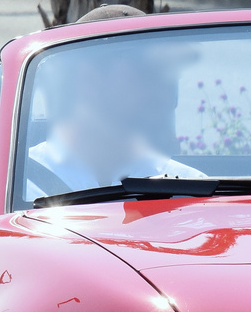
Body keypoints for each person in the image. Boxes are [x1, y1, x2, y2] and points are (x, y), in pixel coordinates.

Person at [25, 47, 203, 200]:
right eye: (146, 74)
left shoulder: (192, 189)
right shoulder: (21, 184)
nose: (163, 96)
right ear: (88, 79)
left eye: (168, 80)